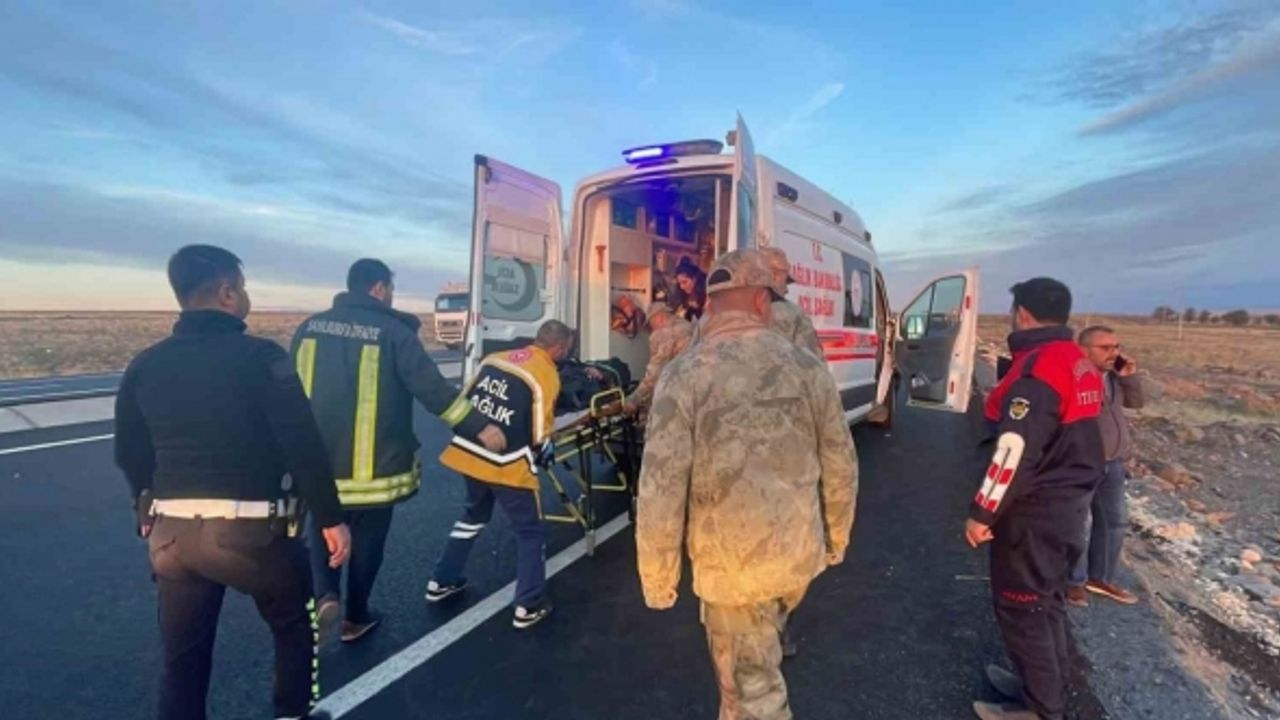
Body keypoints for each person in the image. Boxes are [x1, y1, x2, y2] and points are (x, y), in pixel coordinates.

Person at [115, 244, 350, 720]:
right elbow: (302, 443)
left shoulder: (144, 364)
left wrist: (142, 504)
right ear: (226, 293)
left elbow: (130, 450)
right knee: (294, 626)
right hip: (252, 535)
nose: (245, 296)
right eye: (241, 288)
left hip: (172, 536)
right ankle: (294, 713)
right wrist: (331, 518)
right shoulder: (262, 358)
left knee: (182, 660)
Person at [636, 249, 858, 720]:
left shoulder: (684, 374)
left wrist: (659, 579)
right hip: (797, 555)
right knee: (746, 675)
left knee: (756, 694)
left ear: (711, 304)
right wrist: (836, 537)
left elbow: (660, 487)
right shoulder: (808, 368)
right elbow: (841, 462)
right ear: (761, 302)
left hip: (733, 571)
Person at [290, 259, 507, 644]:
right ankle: (356, 618)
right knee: (367, 542)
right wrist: (480, 427)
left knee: (323, 529)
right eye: (389, 288)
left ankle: (325, 595)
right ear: (378, 288)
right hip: (374, 470)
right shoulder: (393, 332)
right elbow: (433, 391)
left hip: (318, 468)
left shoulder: (308, 328)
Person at [965, 277, 1104, 720]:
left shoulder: (1037, 371)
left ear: (1022, 314)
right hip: (1069, 504)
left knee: (1022, 607)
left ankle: (1043, 708)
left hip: (1036, 510)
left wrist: (982, 513)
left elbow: (1014, 451)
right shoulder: (1076, 360)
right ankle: (1044, 685)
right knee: (1048, 601)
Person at [425, 320, 575, 629]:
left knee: (474, 516)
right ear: (559, 348)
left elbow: (465, 401)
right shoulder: (545, 373)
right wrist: (544, 449)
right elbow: (539, 430)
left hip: (470, 453)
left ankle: (442, 580)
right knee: (529, 531)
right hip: (506, 464)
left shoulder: (495, 359)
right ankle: (529, 604)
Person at [1066, 326, 1144, 607]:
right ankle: (1073, 582)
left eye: (1116, 347)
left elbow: (1137, 403)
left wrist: (1129, 377)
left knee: (1114, 523)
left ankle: (1100, 578)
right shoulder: (1074, 377)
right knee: (1076, 524)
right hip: (1082, 463)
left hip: (1113, 463)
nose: (1114, 353)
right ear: (1084, 350)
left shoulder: (1113, 377)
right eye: (1106, 348)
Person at [622, 304, 693, 417]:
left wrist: (634, 399)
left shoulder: (664, 334)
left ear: (659, 317)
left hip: (679, 395)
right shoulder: (689, 326)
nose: (651, 329)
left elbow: (654, 374)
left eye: (651, 323)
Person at [761, 246, 824, 360]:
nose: (787, 290)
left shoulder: (732, 309)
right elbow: (814, 365)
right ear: (774, 276)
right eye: (785, 281)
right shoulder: (794, 316)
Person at [673, 257, 707, 322]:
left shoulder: (707, 294)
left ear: (694, 279)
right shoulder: (682, 296)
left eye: (684, 282)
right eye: (679, 283)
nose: (682, 287)